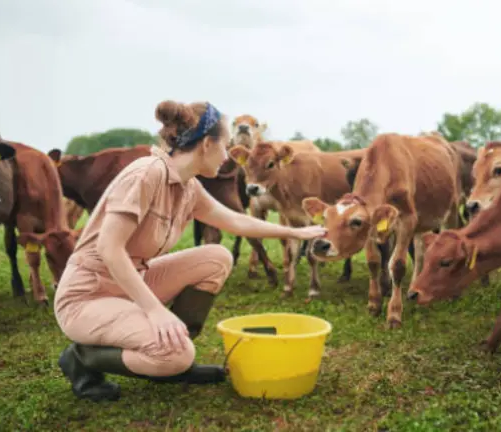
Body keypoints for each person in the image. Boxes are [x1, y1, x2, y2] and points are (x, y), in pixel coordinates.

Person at [54, 100, 326, 402]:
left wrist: (294, 231)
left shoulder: (188, 186)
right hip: (89, 295)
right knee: (176, 355)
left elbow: (233, 220)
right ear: (207, 144)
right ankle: (82, 359)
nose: (227, 156)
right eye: (225, 145)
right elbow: (109, 248)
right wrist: (154, 310)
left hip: (131, 284)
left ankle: (169, 355)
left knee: (217, 257)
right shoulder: (146, 174)